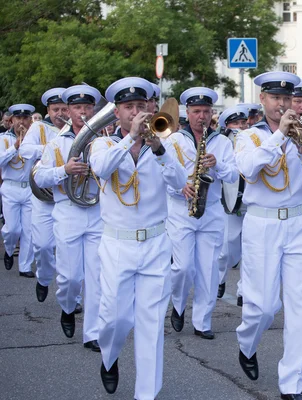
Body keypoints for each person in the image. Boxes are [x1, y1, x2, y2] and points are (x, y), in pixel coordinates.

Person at [89, 77, 187, 399]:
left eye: (140, 107)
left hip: (156, 244)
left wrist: (158, 148)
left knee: (151, 326)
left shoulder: (165, 144)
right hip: (118, 244)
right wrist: (129, 139)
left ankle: (147, 394)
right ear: (116, 112)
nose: (136, 113)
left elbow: (179, 182)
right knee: (114, 319)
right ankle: (109, 356)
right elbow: (102, 169)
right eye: (128, 107)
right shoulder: (102, 144)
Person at [235, 71, 302, 399]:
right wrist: (280, 138)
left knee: (300, 304)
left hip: (300, 224)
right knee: (262, 307)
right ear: (263, 100)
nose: (283, 105)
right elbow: (248, 169)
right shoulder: (249, 136)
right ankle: (247, 343)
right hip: (262, 224)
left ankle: (292, 383)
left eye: (288, 100)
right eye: (276, 99)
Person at [35, 84, 104, 350]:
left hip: (97, 212)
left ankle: (92, 333)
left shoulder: (103, 140)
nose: (83, 112)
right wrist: (65, 169)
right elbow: (39, 177)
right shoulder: (56, 143)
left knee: (96, 277)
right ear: (69, 111)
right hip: (68, 212)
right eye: (78, 107)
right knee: (70, 277)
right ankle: (66, 307)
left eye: (88, 107)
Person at [168, 87, 237, 339]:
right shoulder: (174, 140)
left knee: (208, 269)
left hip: (211, 210)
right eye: (197, 111)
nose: (202, 116)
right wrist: (179, 186)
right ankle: (177, 304)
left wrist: (217, 165)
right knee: (183, 268)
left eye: (206, 111)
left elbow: (233, 175)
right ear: (188, 112)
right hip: (181, 210)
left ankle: (202, 322)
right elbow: (163, 172)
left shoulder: (222, 141)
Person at [20, 88, 68, 300]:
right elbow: (25, 150)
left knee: (68, 251)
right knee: (43, 245)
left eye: (63, 108)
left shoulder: (75, 128)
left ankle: (72, 298)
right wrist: (51, 148)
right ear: (48, 110)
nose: (60, 113)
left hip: (67, 196)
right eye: (55, 109)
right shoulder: (39, 127)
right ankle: (44, 277)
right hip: (42, 197)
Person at [215, 106, 249, 300]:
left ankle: (243, 291)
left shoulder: (254, 140)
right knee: (226, 249)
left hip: (250, 201)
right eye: (236, 123)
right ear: (227, 126)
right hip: (229, 202)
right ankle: (219, 278)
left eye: (243, 123)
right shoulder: (223, 143)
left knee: (249, 251)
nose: (240, 127)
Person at [0, 104, 36, 276]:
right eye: (18, 118)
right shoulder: (3, 139)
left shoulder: (35, 139)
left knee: (28, 229)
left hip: (29, 188)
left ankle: (25, 266)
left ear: (30, 120)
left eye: (25, 118)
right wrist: (15, 146)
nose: (21, 122)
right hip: (10, 187)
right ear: (12, 121)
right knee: (13, 229)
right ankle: (9, 248)